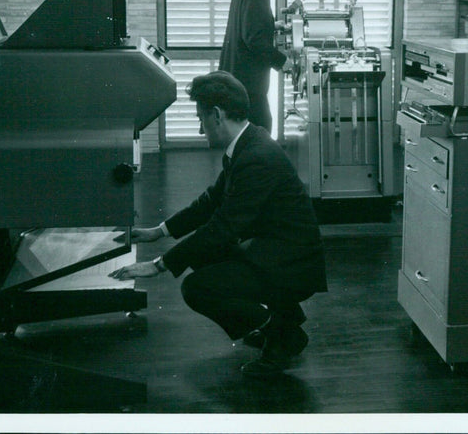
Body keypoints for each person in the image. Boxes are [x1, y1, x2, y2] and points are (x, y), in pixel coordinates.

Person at [110, 71, 327, 377]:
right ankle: (282, 317)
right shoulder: (249, 142)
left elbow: (223, 227)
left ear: (217, 115)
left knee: (197, 288)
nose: (201, 129)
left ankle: (283, 334)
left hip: (293, 265)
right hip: (275, 251)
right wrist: (158, 232)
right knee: (202, 254)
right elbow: (211, 201)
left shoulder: (256, 156)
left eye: (201, 119)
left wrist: (158, 265)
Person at [218, 0, 304, 134]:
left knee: (247, 131)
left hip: (238, 74)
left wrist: (273, 25)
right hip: (248, 80)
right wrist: (283, 61)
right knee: (262, 128)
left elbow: (246, 25)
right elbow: (254, 40)